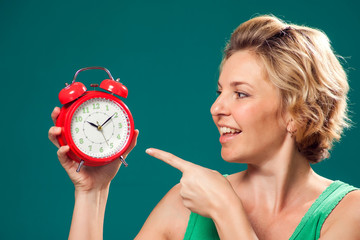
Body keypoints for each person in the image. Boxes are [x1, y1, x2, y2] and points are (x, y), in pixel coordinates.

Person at [48, 15, 360, 240]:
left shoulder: (348, 213)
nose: (216, 109)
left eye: (240, 93)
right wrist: (93, 193)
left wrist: (227, 210)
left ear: (296, 111)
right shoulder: (185, 203)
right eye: (219, 92)